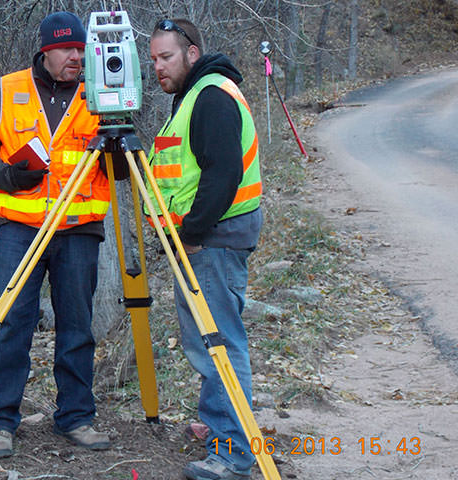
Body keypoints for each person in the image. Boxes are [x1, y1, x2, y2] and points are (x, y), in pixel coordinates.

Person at [0, 11, 112, 460]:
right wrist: (8, 175)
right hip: (18, 229)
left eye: (83, 51)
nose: (76, 58)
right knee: (9, 324)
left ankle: (76, 417)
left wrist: (121, 138)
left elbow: (118, 170)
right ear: (45, 51)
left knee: (77, 327)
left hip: (80, 229)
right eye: (68, 50)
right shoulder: (7, 90)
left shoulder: (100, 93)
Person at [147, 19, 263, 480]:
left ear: (192, 53)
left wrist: (191, 233)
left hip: (212, 240)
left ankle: (233, 452)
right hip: (206, 239)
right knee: (208, 343)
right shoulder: (197, 94)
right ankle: (221, 423)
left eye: (166, 57)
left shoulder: (210, 96)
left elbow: (223, 174)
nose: (157, 67)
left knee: (220, 344)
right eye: (153, 59)